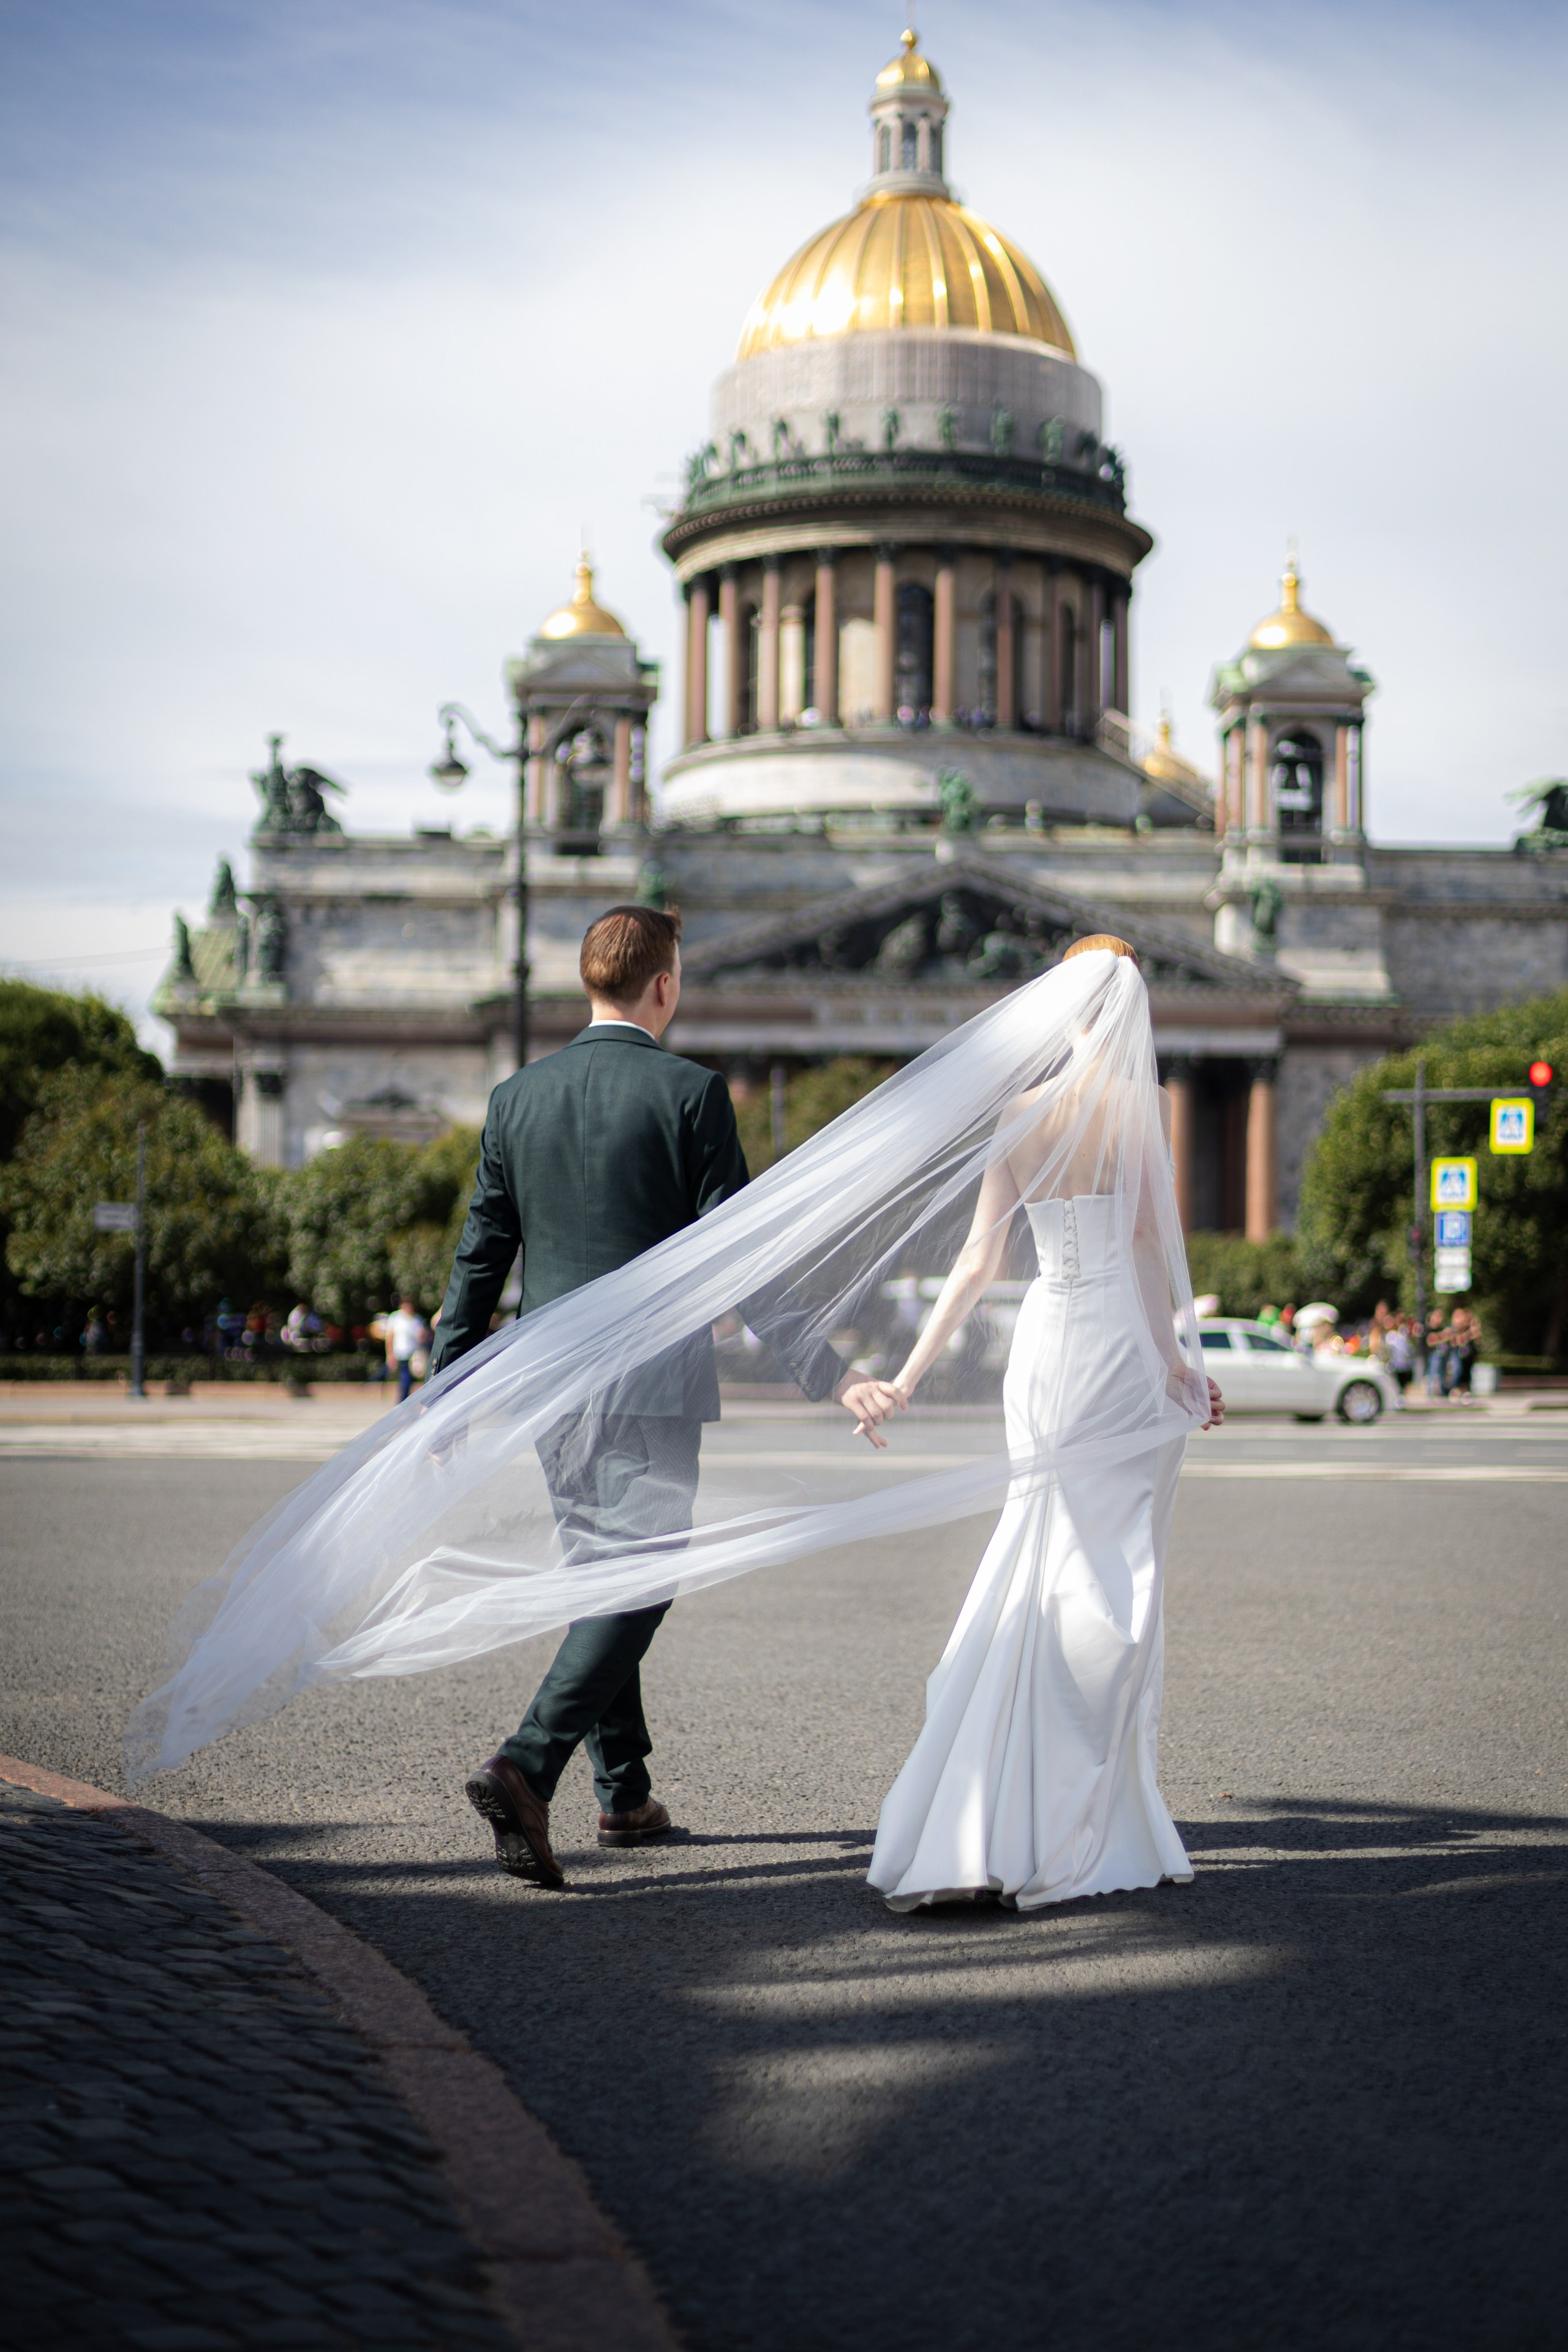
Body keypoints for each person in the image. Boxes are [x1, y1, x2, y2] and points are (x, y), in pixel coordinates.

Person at [432, 904, 857, 1890]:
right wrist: (829, 1372)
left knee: (599, 1577)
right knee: (639, 1579)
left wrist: (449, 1385)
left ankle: (623, 1794)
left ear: (590, 983)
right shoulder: (693, 1092)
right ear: (664, 985)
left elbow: (482, 1251)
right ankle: (526, 1764)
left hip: (549, 1381)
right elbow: (739, 1256)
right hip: (654, 1380)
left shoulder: (516, 1097)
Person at [857, 936, 1224, 1913]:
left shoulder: (1020, 1113)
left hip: (1046, 1345)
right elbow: (1150, 1251)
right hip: (1115, 1349)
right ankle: (1074, 1806)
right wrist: (1180, 1364)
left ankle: (977, 1808)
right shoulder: (1137, 1111)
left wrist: (904, 1373)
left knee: (1035, 1547)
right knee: (1108, 1573)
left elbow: (979, 1262)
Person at [384, 1296, 427, 1404]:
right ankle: (402, 1402)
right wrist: (390, 1355)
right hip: (401, 1354)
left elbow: (421, 1338)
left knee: (410, 1381)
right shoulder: (395, 1318)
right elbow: (390, 1337)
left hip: (414, 1356)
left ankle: (405, 1401)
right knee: (406, 1379)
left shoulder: (417, 1319)